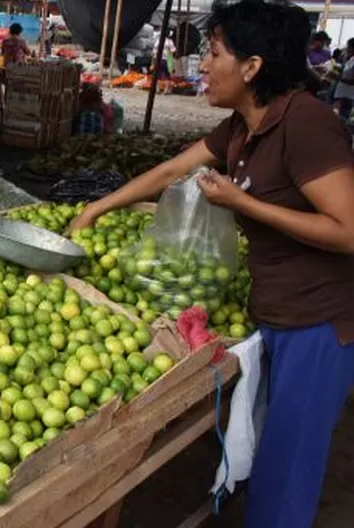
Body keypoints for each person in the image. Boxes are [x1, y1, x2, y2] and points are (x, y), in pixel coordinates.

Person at [68, 3, 354, 527]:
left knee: (289, 465)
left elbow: (349, 230)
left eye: (214, 52)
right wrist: (99, 207)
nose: (201, 64)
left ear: (253, 67)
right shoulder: (244, 127)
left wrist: (242, 205)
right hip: (275, 310)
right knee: (271, 444)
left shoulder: (306, 124)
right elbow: (174, 169)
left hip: (318, 323)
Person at [333, 38, 354, 122]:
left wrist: (338, 78)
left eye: (348, 46)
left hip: (348, 95)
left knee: (342, 119)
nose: (347, 48)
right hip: (341, 93)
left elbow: (352, 81)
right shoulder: (350, 59)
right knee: (336, 117)